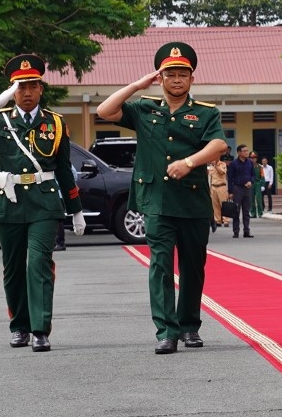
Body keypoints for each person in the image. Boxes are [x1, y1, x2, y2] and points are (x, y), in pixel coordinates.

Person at [96, 41, 228, 354]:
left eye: (183, 73)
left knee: (194, 267)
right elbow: (105, 111)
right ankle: (166, 331)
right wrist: (138, 85)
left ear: (192, 79)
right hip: (156, 201)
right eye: (170, 74)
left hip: (193, 201)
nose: (177, 79)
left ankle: (189, 326)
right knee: (161, 265)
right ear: (161, 78)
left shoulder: (206, 113)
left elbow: (218, 146)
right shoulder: (144, 108)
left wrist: (190, 162)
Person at [0, 54, 86, 352]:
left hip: (44, 203)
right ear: (12, 90)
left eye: (32, 86)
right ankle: (19, 326)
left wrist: (76, 209)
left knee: (39, 262)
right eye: (20, 87)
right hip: (9, 201)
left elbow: (65, 170)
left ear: (41, 88)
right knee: (13, 267)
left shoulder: (55, 123)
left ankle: (40, 329)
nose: (26, 92)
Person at [227, 145, 255, 237]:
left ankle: (246, 231)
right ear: (239, 152)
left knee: (246, 211)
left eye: (247, 151)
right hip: (237, 189)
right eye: (244, 151)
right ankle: (236, 231)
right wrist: (230, 192)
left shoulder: (250, 163)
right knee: (236, 211)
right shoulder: (233, 164)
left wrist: (251, 182)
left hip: (247, 189)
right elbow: (230, 178)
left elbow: (253, 175)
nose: (246, 152)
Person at [209, 156, 229, 232]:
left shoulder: (223, 164)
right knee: (215, 205)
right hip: (214, 187)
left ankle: (226, 220)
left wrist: (216, 165)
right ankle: (218, 220)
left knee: (223, 204)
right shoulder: (211, 166)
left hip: (221, 186)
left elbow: (221, 172)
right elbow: (210, 178)